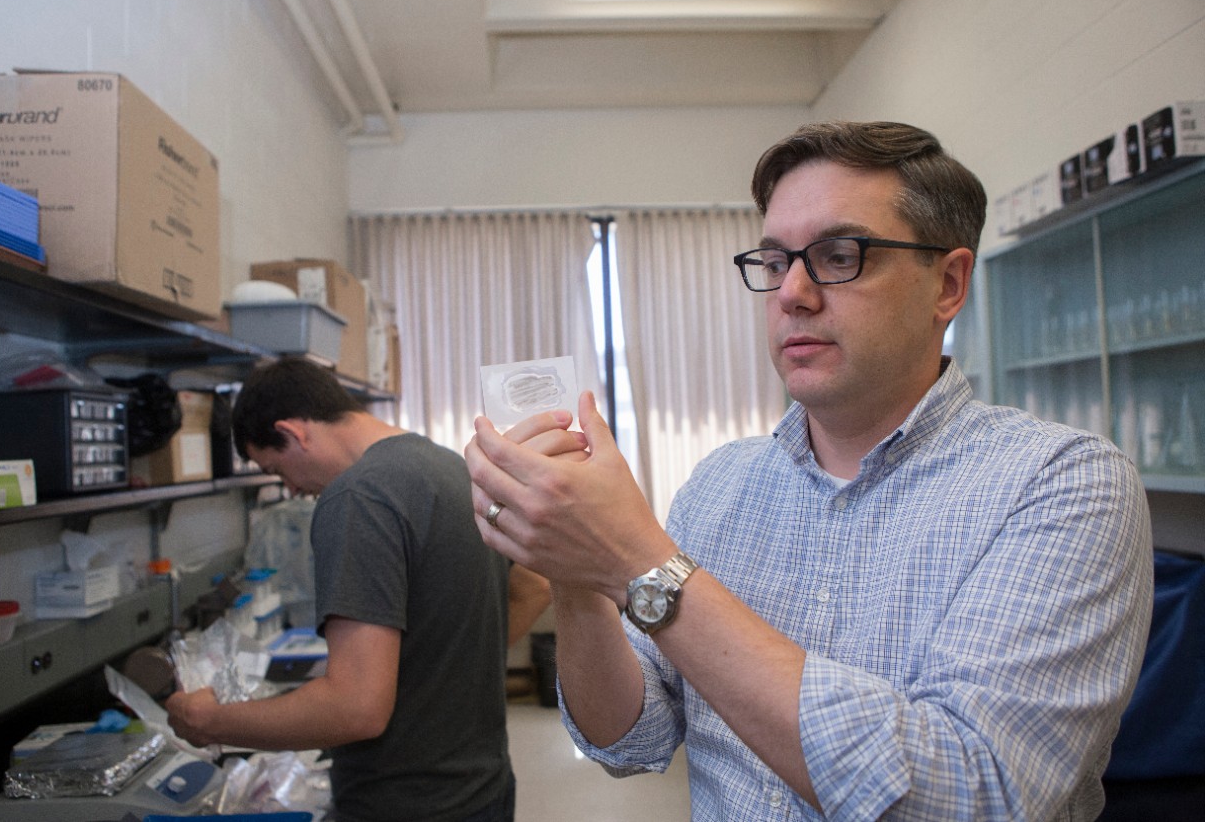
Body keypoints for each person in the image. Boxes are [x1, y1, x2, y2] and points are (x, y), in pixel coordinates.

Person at [464, 121, 1155, 820]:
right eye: (774, 261)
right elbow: (628, 739)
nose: (792, 291)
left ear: (948, 283)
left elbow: (972, 795)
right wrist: (576, 573)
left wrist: (642, 561)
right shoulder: (720, 484)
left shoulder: (1062, 484)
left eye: (839, 255)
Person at [166, 357, 549, 822]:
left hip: (403, 802)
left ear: (293, 433)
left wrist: (210, 722)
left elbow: (355, 709)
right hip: (484, 789)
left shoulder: (356, 497)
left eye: (278, 468)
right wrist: (444, 671)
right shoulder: (449, 466)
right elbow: (534, 586)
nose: (291, 489)